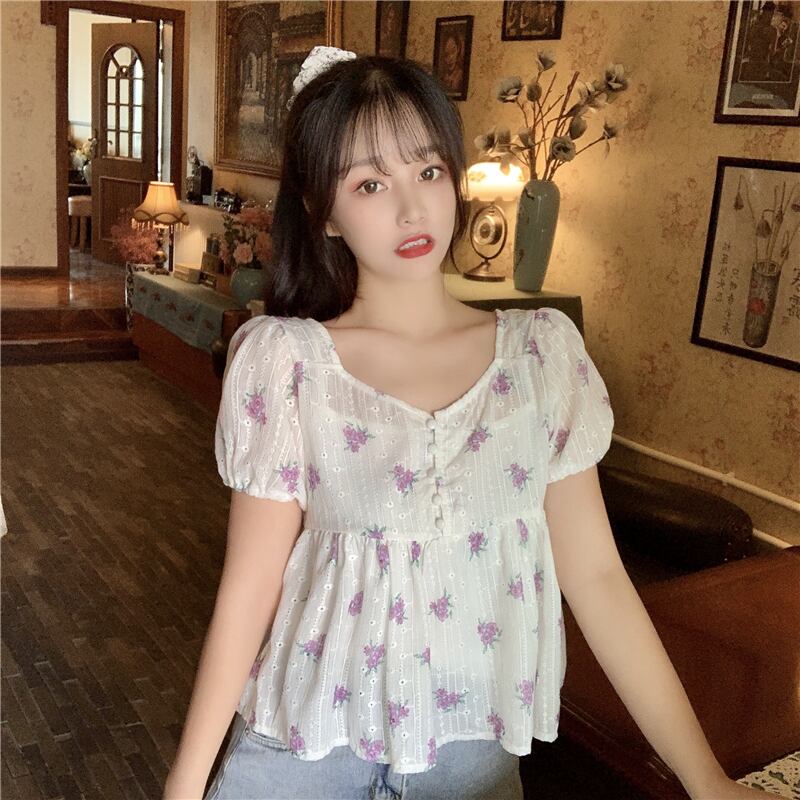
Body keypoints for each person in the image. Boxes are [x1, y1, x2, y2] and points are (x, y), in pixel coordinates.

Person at [163, 47, 776, 800]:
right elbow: (250, 589)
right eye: (369, 184)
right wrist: (185, 786)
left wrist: (707, 779)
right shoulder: (290, 365)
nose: (411, 209)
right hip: (307, 747)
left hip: (471, 762)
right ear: (324, 212)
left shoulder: (540, 359)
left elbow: (599, 582)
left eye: (427, 171)